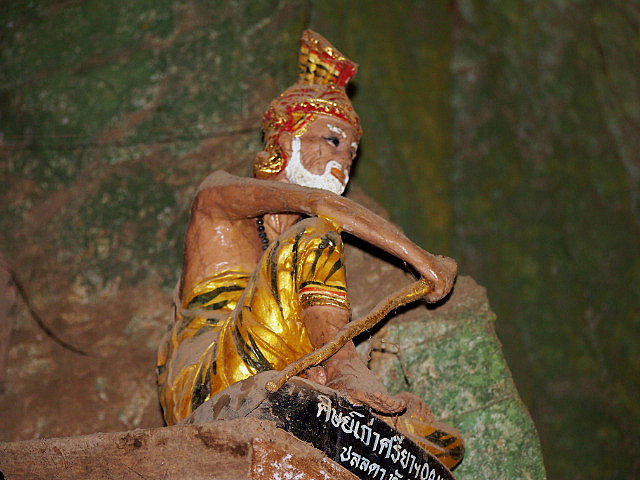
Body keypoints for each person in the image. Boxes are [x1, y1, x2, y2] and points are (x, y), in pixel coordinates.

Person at [157, 30, 463, 469]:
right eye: (332, 141)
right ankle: (345, 373)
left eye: (352, 152)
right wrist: (424, 262)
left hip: (272, 375)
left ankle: (355, 408)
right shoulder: (217, 199)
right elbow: (321, 205)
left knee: (446, 442)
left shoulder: (296, 260)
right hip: (206, 384)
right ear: (286, 141)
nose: (345, 161)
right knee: (315, 234)